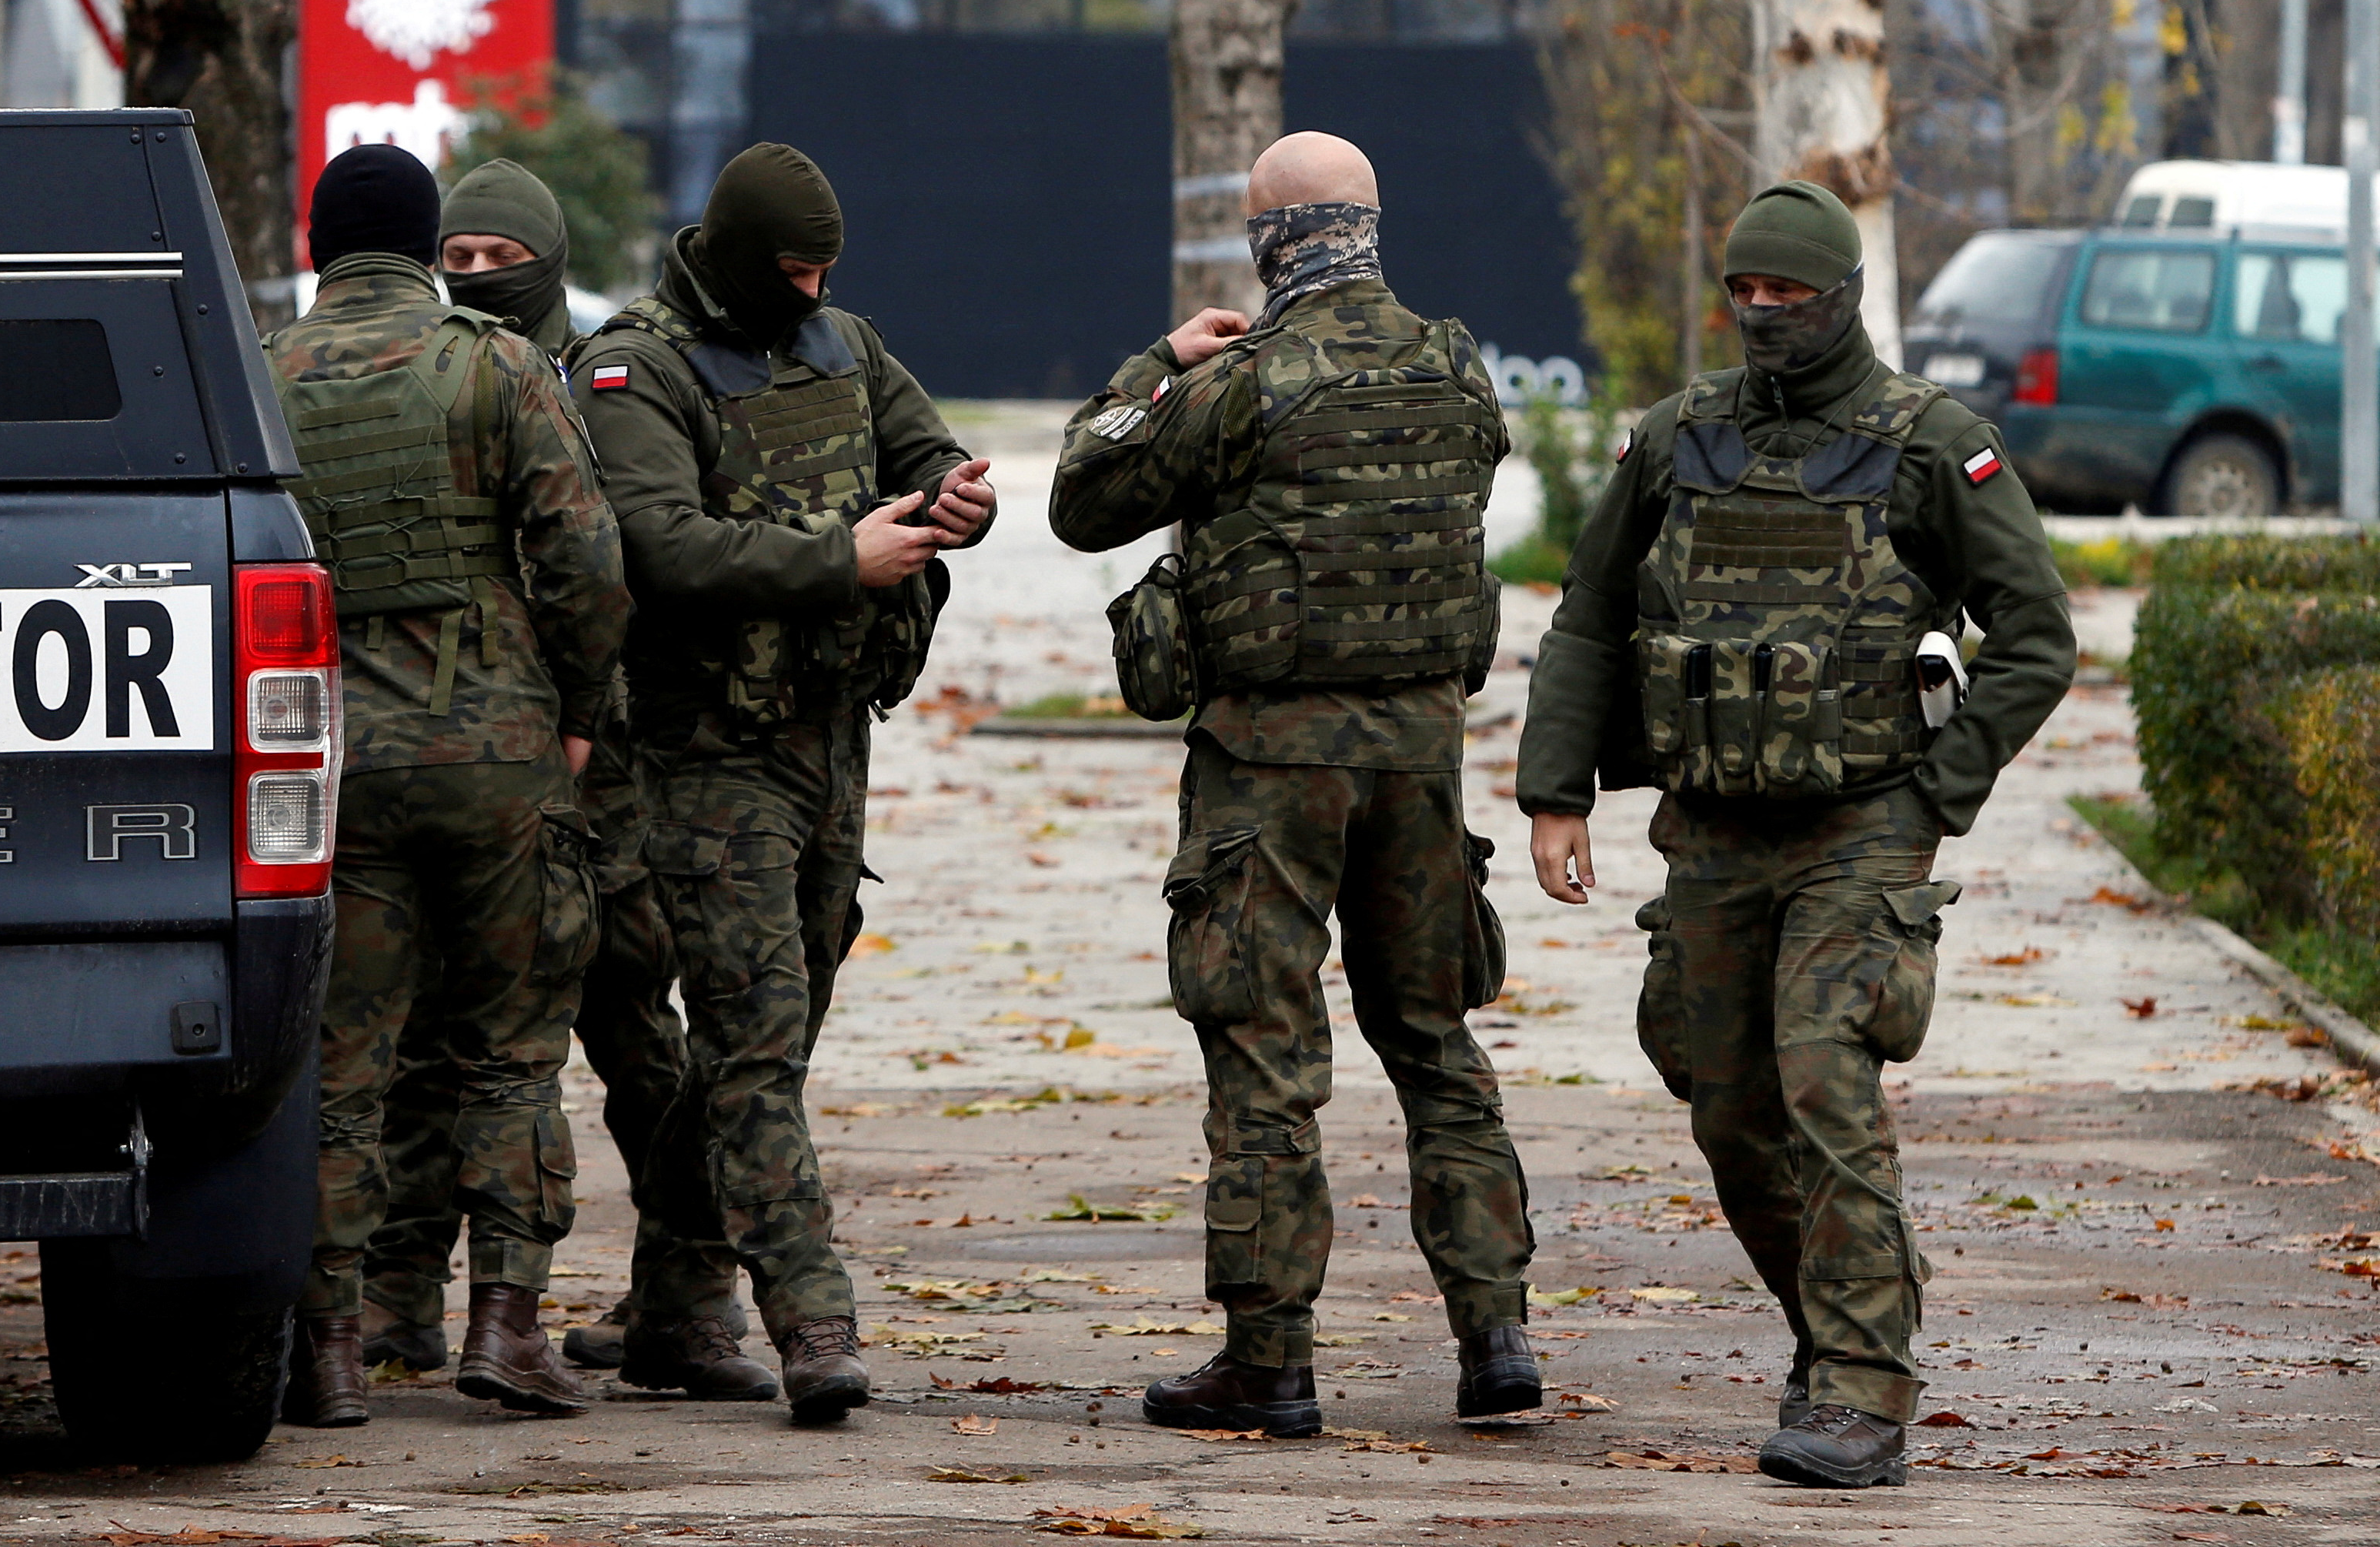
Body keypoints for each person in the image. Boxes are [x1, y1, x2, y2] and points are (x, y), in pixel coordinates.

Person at [1514, 180, 2076, 1489]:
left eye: (1790, 295)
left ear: (1845, 296)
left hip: (1863, 826)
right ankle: (1834, 1334)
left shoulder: (1936, 443)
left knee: (1826, 1082)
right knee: (1728, 1109)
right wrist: (1557, 791)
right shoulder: (1674, 435)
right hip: (1709, 828)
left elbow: (2037, 634)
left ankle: (1865, 1392)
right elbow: (1592, 617)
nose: (1764, 314)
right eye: (1744, 293)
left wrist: (1940, 794)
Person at [1049, 132, 1539, 1441]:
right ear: (1372, 227)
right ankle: (1495, 1338)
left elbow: (1082, 496)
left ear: (1268, 243)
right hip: (1421, 763)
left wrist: (1162, 362)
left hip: (1271, 772)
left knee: (1266, 1052)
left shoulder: (1242, 383)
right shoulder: (1454, 362)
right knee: (1435, 1042)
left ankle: (1271, 1361)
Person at [576, 142, 996, 1422]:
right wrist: (839, 559)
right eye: (795, 271)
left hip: (829, 742)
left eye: (829, 271)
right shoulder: (633, 366)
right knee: (757, 1040)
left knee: (763, 1035)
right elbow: (659, 544)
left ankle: (669, 1309)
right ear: (742, 254)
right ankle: (815, 1319)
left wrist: (952, 499)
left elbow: (928, 451)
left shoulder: (846, 343)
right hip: (707, 756)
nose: (813, 291)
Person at [356, 159, 766, 1402]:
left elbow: (639, 563)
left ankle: (687, 1298)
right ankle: (397, 1296)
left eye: (501, 256)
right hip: (478, 771)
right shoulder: (434, 378)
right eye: (460, 255)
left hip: (608, 778)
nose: (480, 276)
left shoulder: (613, 384)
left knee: (644, 1047)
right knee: (434, 1043)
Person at [266, 143, 627, 1426]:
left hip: (330, 764)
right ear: (427, 247)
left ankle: (331, 1347)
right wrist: (579, 715)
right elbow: (586, 557)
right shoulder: (496, 360)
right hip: (498, 757)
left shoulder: (261, 377)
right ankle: (508, 1326)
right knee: (513, 1048)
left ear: (319, 246)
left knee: (340, 1057)